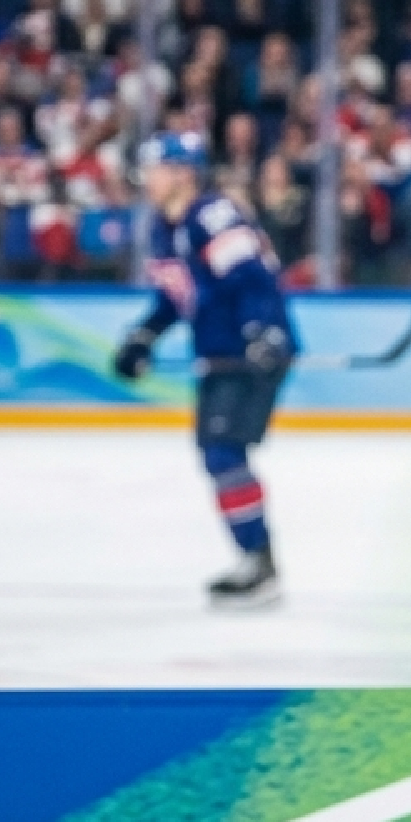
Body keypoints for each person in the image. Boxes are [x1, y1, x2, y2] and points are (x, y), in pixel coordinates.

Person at [111, 131, 297, 610]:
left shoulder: (213, 216)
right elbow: (177, 297)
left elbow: (252, 279)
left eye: (154, 169)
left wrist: (263, 332)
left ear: (181, 172)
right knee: (217, 454)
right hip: (221, 356)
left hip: (252, 354)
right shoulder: (163, 227)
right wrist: (144, 335)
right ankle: (256, 559)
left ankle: (259, 562)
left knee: (223, 450)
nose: (147, 179)